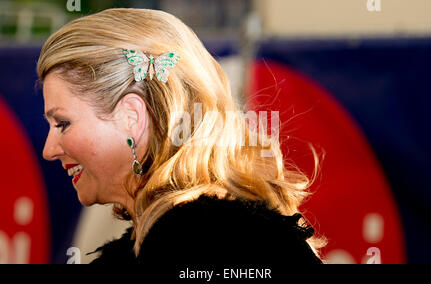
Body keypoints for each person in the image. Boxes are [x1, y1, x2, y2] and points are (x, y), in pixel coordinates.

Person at [37, 8, 325, 268]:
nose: (49, 150)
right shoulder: (198, 235)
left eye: (63, 123)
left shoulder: (207, 242)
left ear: (132, 118)